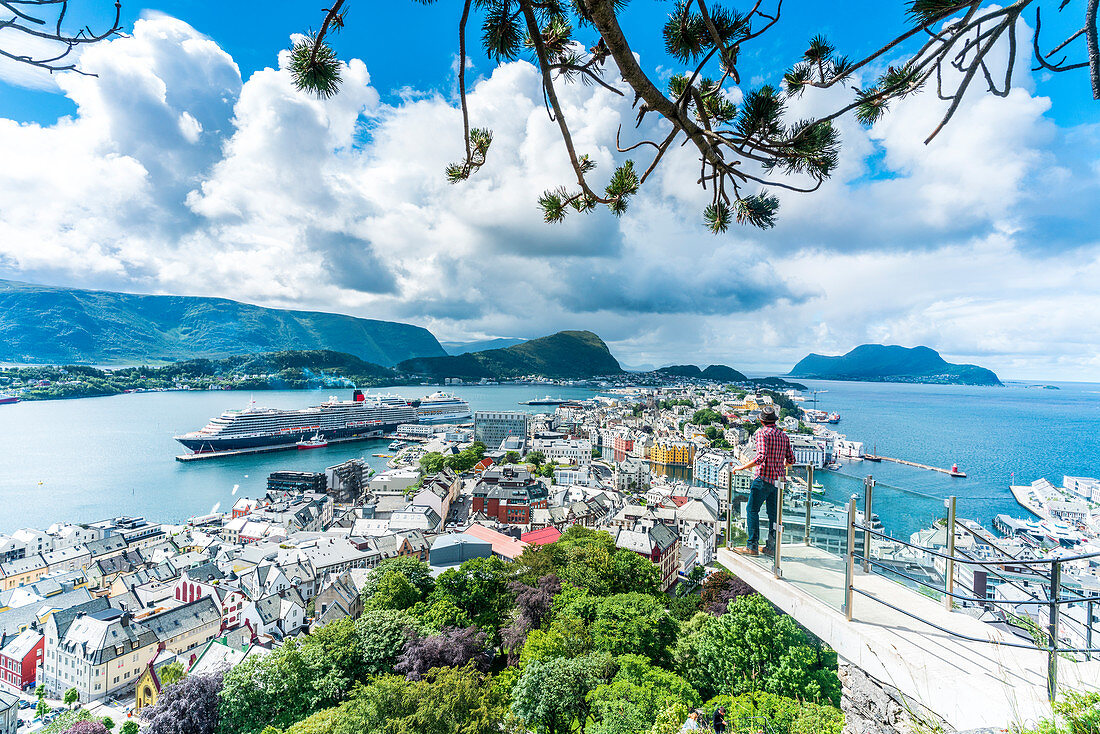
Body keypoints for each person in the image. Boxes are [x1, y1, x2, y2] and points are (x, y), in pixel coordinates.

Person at [733, 406, 795, 556]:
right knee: (773, 515)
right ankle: (771, 548)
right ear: (774, 420)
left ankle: (752, 546)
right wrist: (777, 464)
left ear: (761, 420)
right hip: (778, 482)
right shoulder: (783, 435)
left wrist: (742, 468)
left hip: (763, 479)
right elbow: (791, 460)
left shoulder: (761, 433)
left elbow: (761, 457)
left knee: (752, 510)